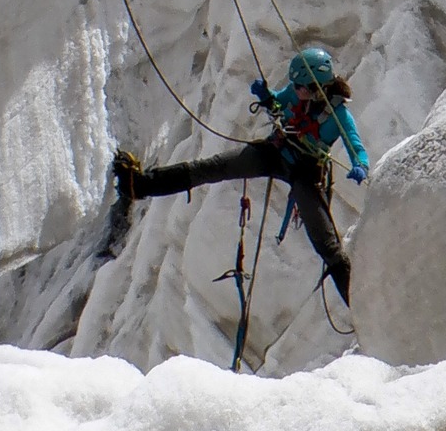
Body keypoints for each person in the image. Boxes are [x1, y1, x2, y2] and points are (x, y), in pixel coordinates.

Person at [108, 44, 369, 304]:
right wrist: (268, 96)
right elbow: (280, 99)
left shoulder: (339, 116)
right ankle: (139, 185)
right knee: (213, 167)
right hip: (276, 152)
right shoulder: (298, 92)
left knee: (326, 242)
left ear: (318, 87)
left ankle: (360, 308)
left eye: (301, 86)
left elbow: (355, 145)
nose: (296, 89)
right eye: (296, 85)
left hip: (305, 171)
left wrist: (361, 166)